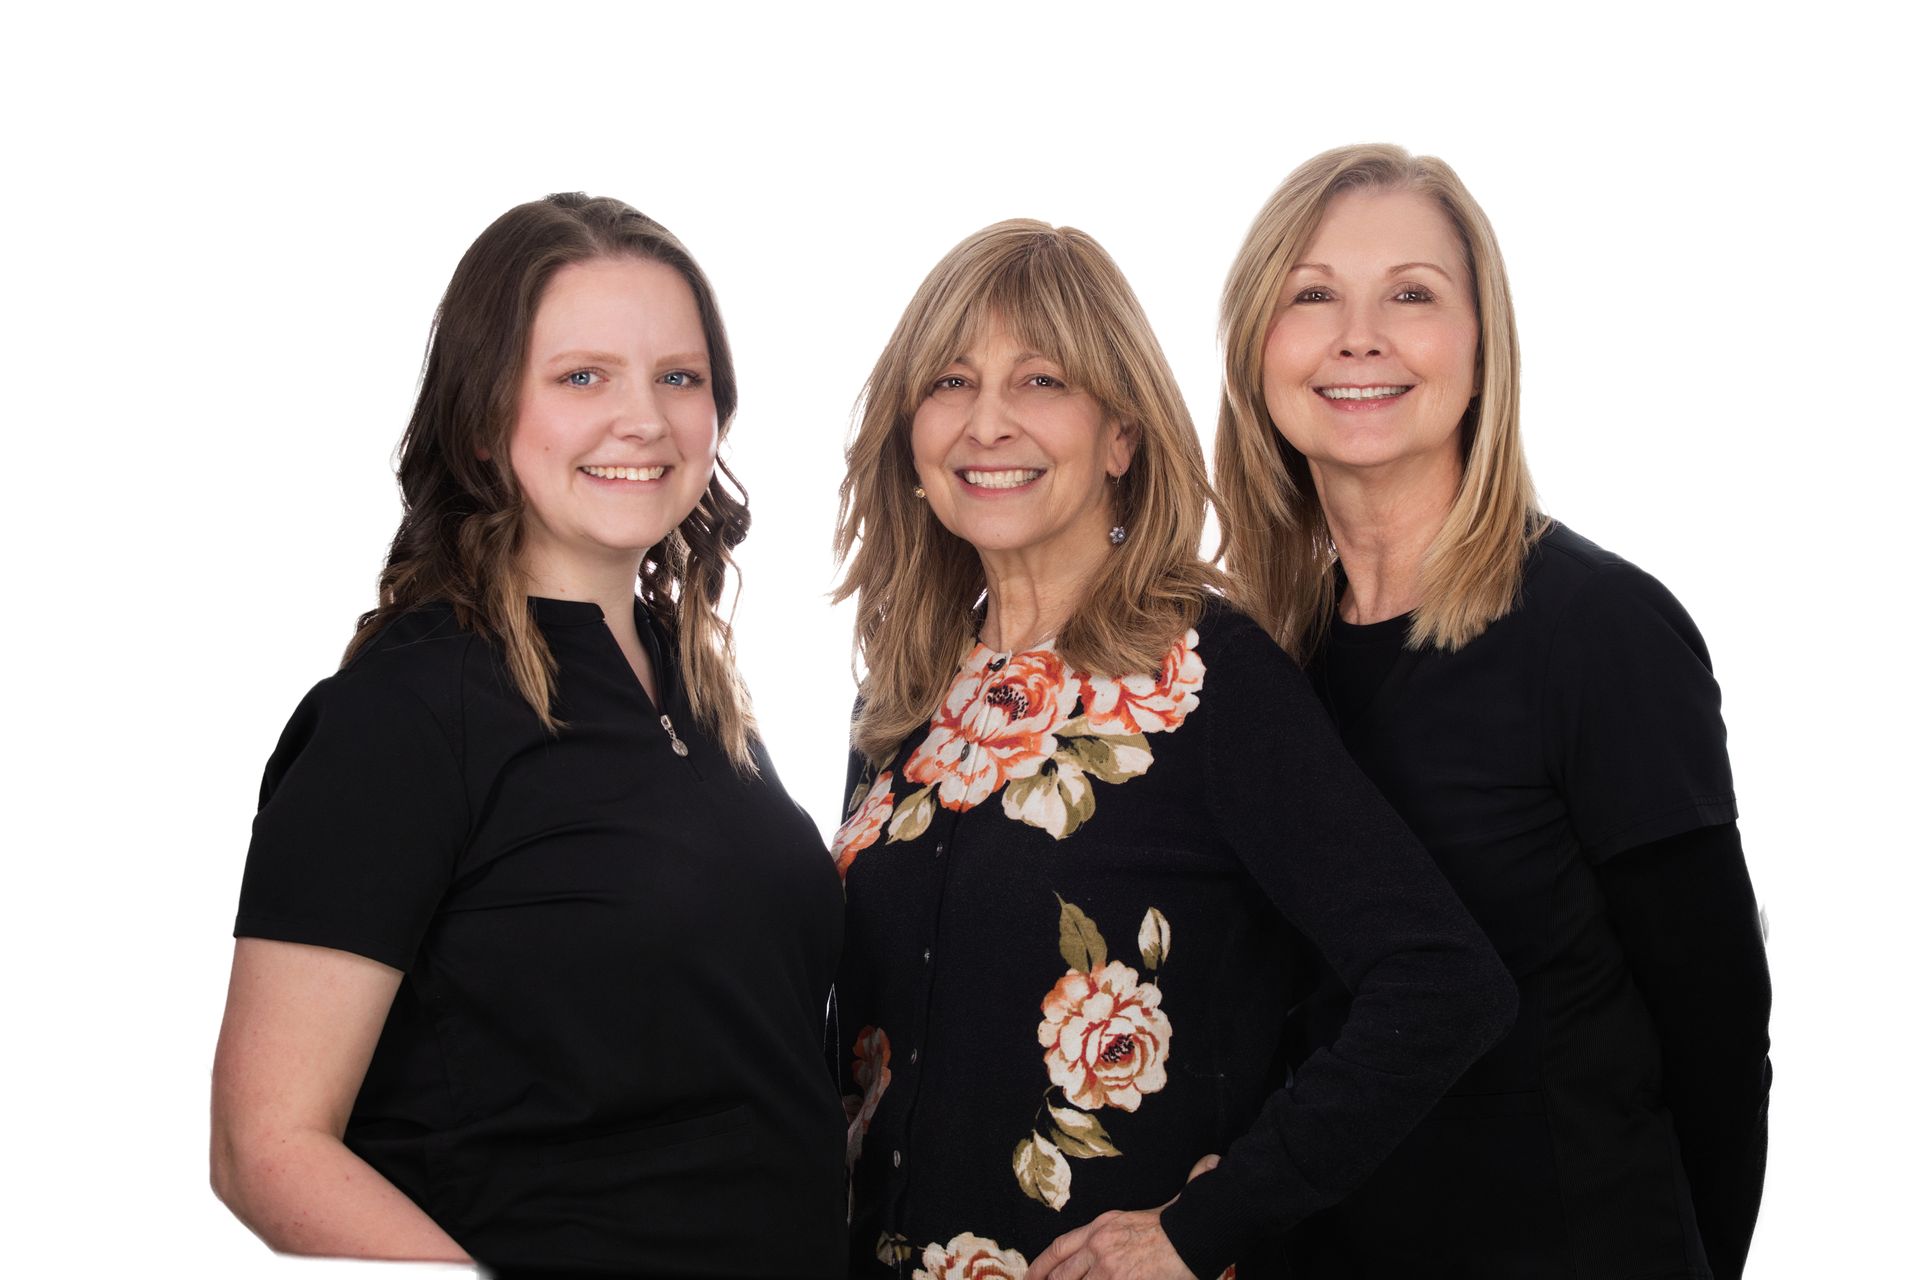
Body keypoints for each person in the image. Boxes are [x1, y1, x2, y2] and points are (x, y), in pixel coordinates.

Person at [829, 218, 1517, 1280]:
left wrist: (1213, 1221)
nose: (988, 422)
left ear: (1122, 436)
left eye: (1043, 379)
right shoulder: (903, 694)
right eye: (951, 382)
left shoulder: (1209, 676)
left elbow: (1442, 982)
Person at [209, 194, 846, 1276]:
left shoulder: (697, 695)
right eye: (582, 375)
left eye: (678, 377)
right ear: (478, 419)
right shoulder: (403, 715)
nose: (641, 418)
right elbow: (263, 1144)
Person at [1213, 144, 1772, 1279]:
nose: (1358, 335)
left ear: (1482, 345)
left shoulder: (1599, 633)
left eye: (1412, 294)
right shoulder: (1260, 667)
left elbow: (1720, 1037)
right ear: (1255, 348)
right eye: (1312, 294)